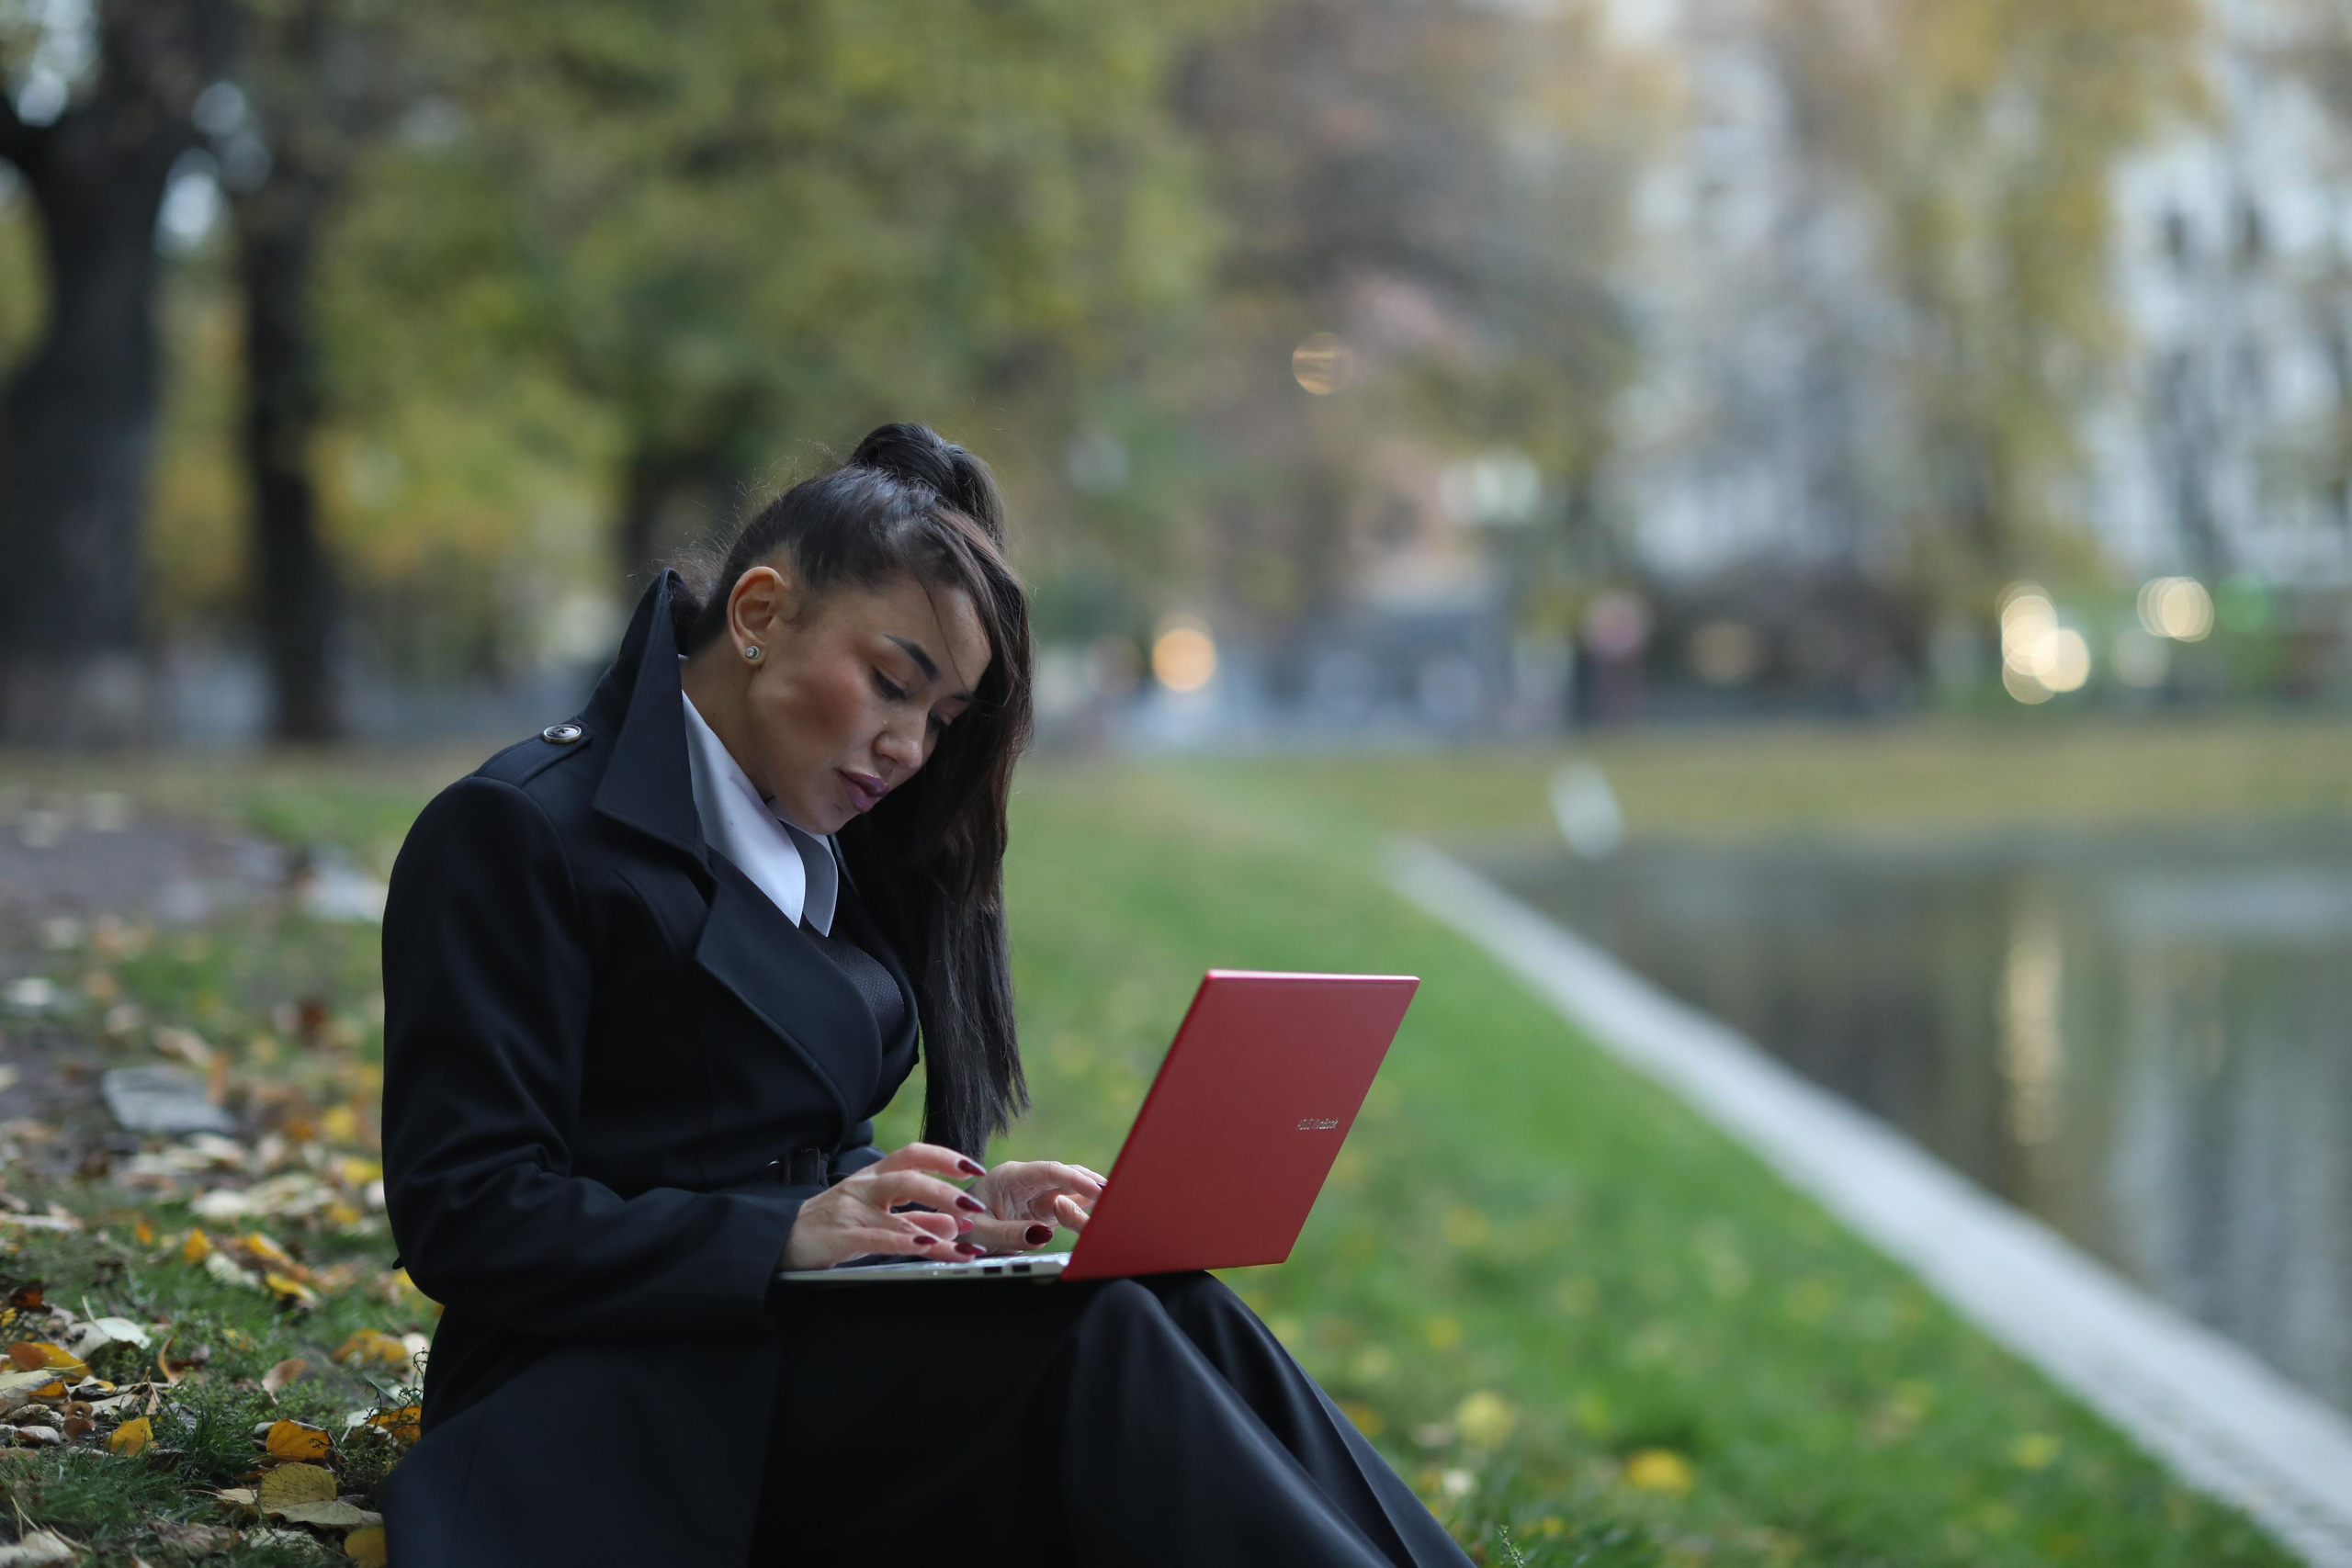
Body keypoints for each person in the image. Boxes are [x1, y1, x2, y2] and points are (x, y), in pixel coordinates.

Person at [378, 423, 1475, 1567]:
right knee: (1084, 1336)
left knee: (1163, 1294)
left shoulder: (811, 839)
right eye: (892, 685)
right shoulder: (519, 828)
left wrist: (949, 1215)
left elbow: (793, 1147)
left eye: (942, 718)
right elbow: (466, 1210)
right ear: (757, 615)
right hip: (607, 1398)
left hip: (786, 1354)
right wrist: (782, 1237)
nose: (908, 748)